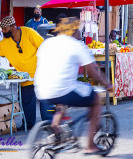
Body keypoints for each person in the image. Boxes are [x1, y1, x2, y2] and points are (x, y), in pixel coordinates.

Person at [34, 17, 112, 155]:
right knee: (95, 100)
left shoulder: (47, 43)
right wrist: (107, 83)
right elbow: (93, 71)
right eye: (79, 31)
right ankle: (90, 145)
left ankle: (55, 128)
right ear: (74, 31)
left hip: (41, 89)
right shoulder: (77, 45)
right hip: (63, 89)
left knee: (61, 100)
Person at [0, 16, 53, 129]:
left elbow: (44, 46)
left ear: (13, 27)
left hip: (40, 73)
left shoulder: (29, 32)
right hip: (24, 77)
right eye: (2, 29)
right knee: (27, 102)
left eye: (5, 28)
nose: (3, 31)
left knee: (45, 99)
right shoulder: (4, 43)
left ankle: (49, 124)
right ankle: (29, 125)